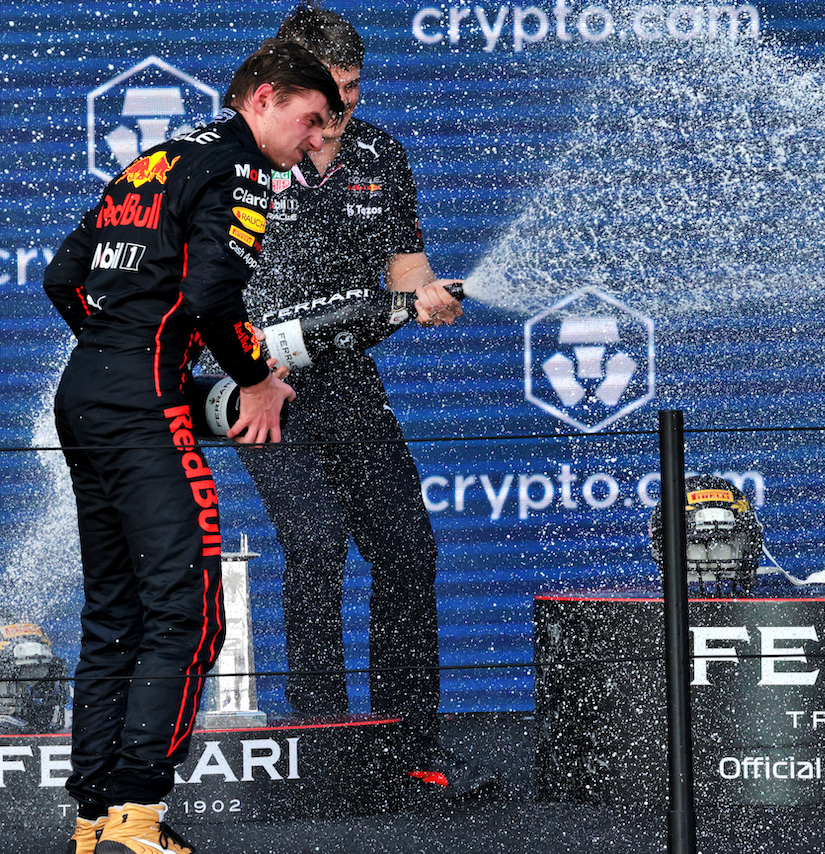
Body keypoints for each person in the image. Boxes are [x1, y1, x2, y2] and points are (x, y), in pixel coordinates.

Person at [44, 40, 341, 854]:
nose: (315, 142)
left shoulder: (155, 162)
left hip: (87, 389)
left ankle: (95, 820)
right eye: (312, 122)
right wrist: (253, 379)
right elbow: (213, 295)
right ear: (266, 99)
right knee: (188, 614)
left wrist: (121, 349)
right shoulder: (240, 168)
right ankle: (139, 817)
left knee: (114, 615)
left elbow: (63, 277)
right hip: (140, 403)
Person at [230, 2, 497, 799]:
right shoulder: (239, 155)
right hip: (259, 381)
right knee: (314, 544)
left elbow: (406, 271)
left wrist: (430, 295)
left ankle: (406, 750)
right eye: (328, 90)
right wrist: (248, 367)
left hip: (347, 378)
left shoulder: (381, 151)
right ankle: (322, 750)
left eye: (354, 87)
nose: (343, 106)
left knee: (408, 550)